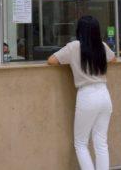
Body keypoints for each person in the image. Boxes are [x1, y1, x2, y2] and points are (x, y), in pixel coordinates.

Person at [47, 16, 116, 170]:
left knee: (80, 143)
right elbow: (113, 59)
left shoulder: (73, 47)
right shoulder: (102, 46)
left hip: (87, 96)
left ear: (79, 30)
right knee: (101, 142)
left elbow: (51, 60)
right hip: (104, 94)